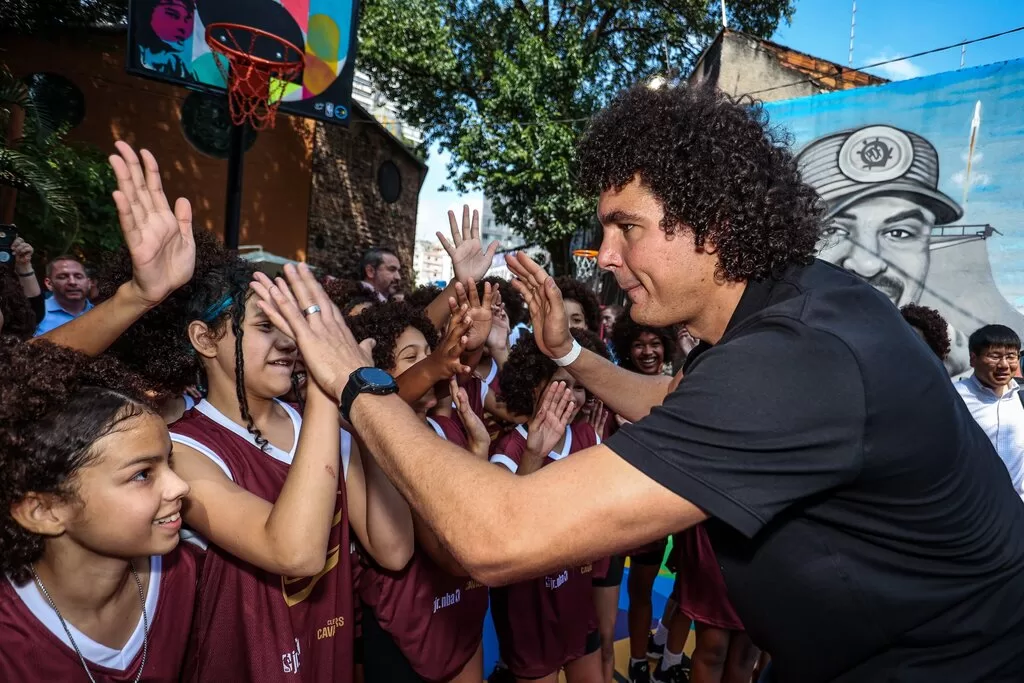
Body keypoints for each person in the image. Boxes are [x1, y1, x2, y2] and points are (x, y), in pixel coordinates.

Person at [253, 83, 1024, 683]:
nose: (607, 255)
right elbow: (675, 405)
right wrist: (569, 357)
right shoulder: (787, 307)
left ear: (715, 223)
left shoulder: (797, 358)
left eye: (628, 227)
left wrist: (359, 384)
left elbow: (499, 535)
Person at [0, 338, 199, 681]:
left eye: (170, 462)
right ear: (44, 511)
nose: (180, 486)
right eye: (141, 474)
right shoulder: (9, 638)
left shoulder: (187, 575)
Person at [348, 301, 490, 683]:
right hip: (404, 633)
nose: (432, 362)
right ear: (377, 374)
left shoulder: (450, 430)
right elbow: (448, 551)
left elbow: (472, 516)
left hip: (460, 615)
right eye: (412, 357)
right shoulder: (365, 446)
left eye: (430, 351)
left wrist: (478, 452)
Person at [794, 124, 973, 376]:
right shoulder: (755, 361)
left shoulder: (954, 374)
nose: (867, 264)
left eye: (900, 232)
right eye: (831, 231)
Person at [488, 331, 604, 683]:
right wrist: (535, 453)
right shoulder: (509, 451)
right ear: (534, 386)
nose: (570, 395)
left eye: (578, 385)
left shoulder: (588, 438)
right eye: (559, 384)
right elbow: (504, 524)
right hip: (530, 605)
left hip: (576, 597)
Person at [954, 325, 1024, 501]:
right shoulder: (953, 396)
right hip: (970, 504)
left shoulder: (1021, 397)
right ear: (973, 358)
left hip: (1017, 507)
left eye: (1011, 356)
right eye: (994, 356)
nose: (1004, 365)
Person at [34, 255, 93, 336]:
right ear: (49, 283)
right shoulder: (35, 313)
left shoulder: (102, 312)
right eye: (62, 277)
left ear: (89, 283)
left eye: (78, 277)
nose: (72, 282)